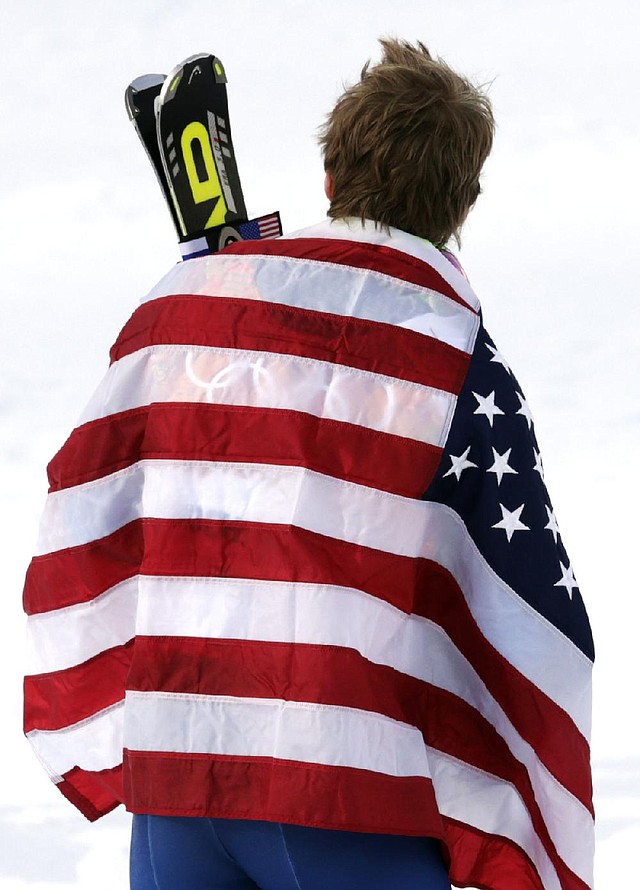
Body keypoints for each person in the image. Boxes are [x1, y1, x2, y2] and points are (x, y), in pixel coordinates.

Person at [23, 39, 594, 889]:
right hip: (344, 788)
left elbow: (87, 496)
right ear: (464, 201)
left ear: (329, 176)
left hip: (181, 767)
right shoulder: (455, 355)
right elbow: (522, 604)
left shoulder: (180, 311)